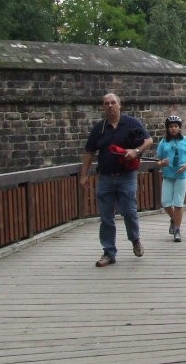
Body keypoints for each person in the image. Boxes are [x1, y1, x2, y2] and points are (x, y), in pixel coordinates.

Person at [80, 93, 153, 267]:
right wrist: (84, 174)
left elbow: (148, 140)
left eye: (113, 102)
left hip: (126, 176)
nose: (110, 106)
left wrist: (136, 151)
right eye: (106, 103)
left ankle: (135, 239)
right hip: (105, 177)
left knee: (129, 211)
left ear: (120, 105)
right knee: (106, 217)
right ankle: (108, 252)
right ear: (103, 107)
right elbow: (89, 152)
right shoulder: (99, 128)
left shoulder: (131, 123)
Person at [156, 115, 186, 242]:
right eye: (171, 127)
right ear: (167, 129)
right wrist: (161, 163)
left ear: (179, 128)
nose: (173, 129)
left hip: (182, 175)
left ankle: (177, 229)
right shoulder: (163, 142)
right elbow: (158, 160)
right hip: (168, 175)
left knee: (178, 203)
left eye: (176, 126)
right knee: (165, 202)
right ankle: (173, 219)